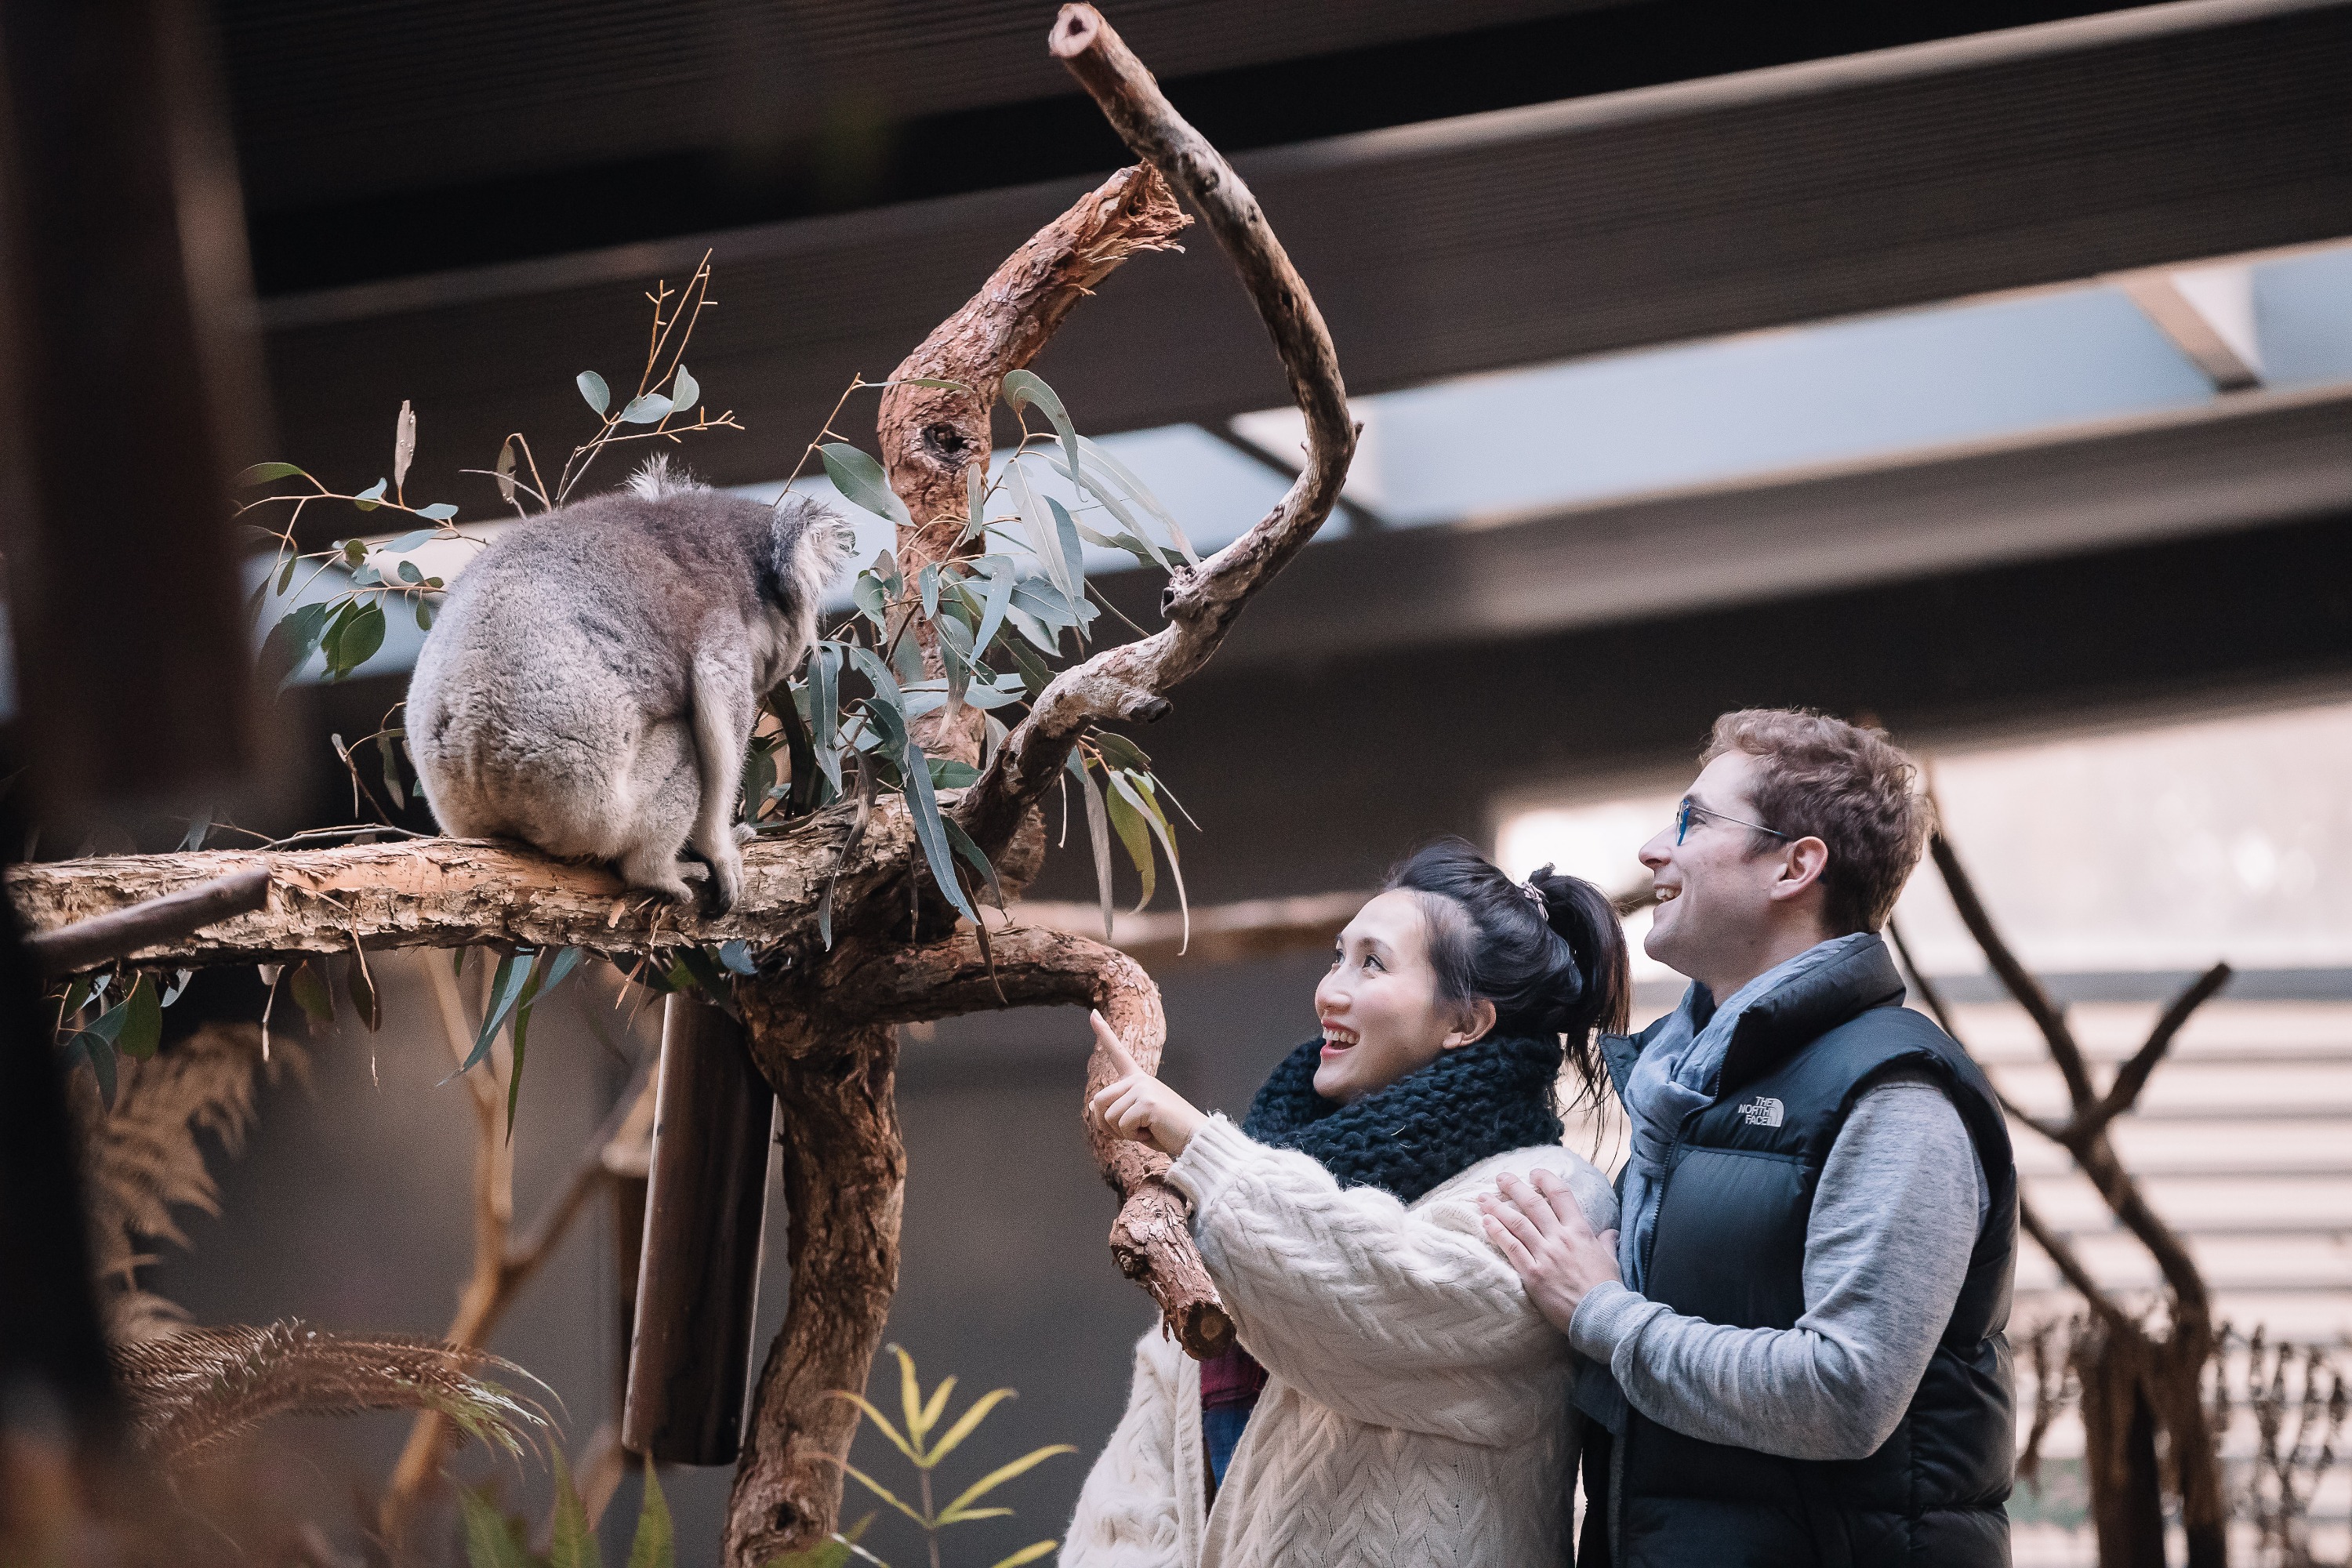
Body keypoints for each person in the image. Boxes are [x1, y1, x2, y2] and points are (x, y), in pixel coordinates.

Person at [1479, 709, 2019, 1566]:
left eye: (1693, 820)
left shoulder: (1895, 1095)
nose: (1656, 846)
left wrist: (1604, 1312)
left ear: (1795, 864)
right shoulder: (1689, 1087)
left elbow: (1845, 1392)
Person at [1062, 838, 1630, 1568]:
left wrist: (1201, 1146)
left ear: (1466, 1022)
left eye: (1373, 963)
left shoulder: (1547, 1193)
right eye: (1339, 956)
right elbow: (1146, 1465)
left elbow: (1370, 1296)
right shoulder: (1264, 1168)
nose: (1330, 989)